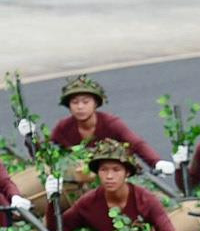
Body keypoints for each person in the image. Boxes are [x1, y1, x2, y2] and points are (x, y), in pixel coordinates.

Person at [61, 140, 196, 231]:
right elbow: (57, 228)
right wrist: (53, 199)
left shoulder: (145, 200)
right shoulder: (88, 202)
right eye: (104, 170)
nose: (109, 176)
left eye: (116, 170)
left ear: (127, 173)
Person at [41, 74, 173, 176]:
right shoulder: (63, 127)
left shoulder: (111, 124)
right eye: (75, 102)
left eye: (85, 102)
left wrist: (156, 162)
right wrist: (31, 137)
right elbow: (46, 152)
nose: (80, 107)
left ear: (95, 104)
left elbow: (136, 143)